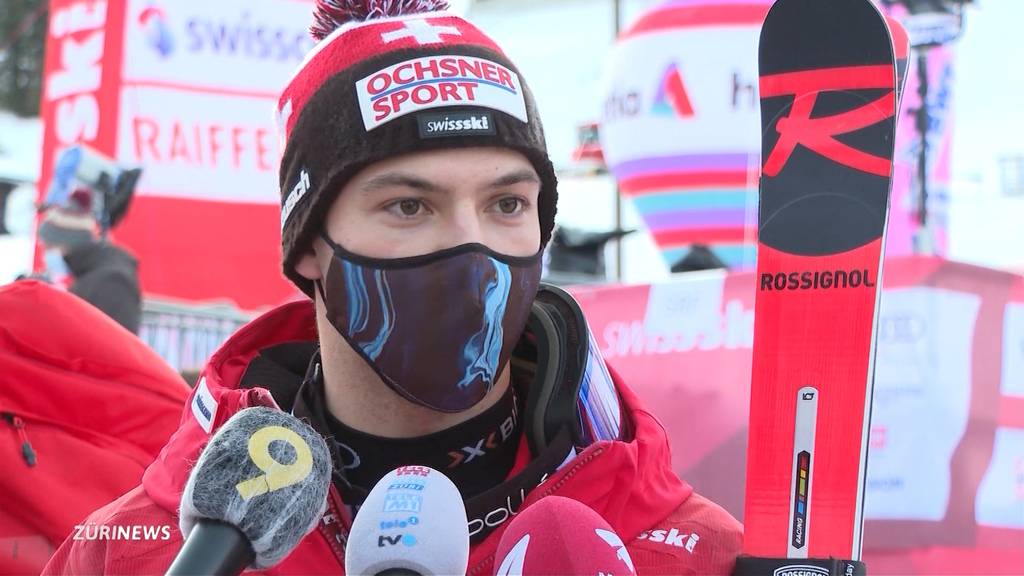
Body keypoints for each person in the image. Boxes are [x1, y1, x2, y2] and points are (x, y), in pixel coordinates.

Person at [43, 2, 742, 574]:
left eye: (507, 205)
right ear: (311, 244)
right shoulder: (142, 552)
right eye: (410, 205)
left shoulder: (684, 551)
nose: (473, 249)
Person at [37, 188, 141, 333]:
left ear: (67, 243)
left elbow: (115, 343)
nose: (46, 254)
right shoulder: (88, 274)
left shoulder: (110, 280)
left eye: (48, 246)